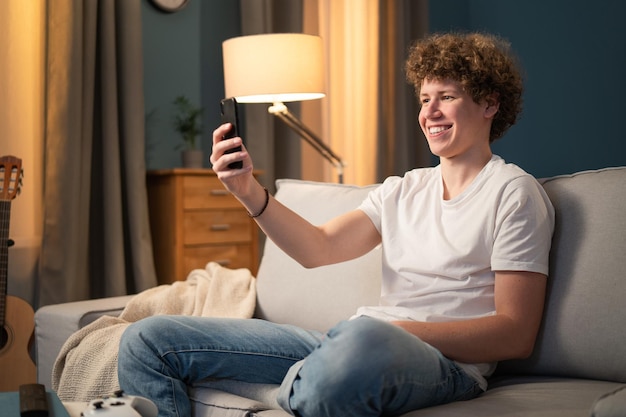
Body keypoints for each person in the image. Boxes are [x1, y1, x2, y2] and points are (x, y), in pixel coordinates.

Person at [118, 32, 555, 417]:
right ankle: (307, 384)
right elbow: (317, 248)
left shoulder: (513, 192)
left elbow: (515, 335)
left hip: (437, 364)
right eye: (424, 98)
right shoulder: (402, 190)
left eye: (448, 96)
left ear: (490, 104)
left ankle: (279, 393)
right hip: (350, 344)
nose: (430, 112)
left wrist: (397, 332)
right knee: (147, 339)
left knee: (363, 344)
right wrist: (246, 189)